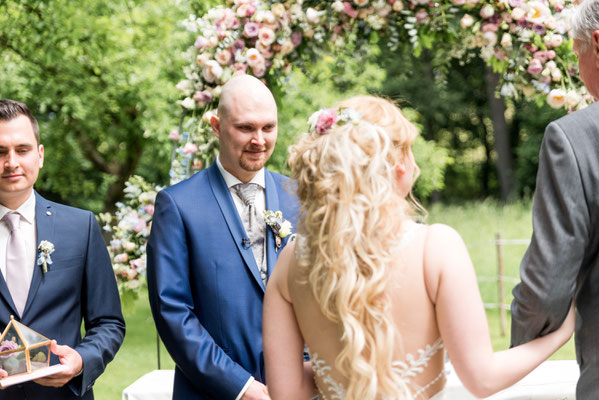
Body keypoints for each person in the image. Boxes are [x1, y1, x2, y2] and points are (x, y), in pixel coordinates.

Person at [263, 95, 575, 400]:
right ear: (399, 164)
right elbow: (482, 378)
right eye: (410, 150)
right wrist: (558, 336)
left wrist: (334, 369)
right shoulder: (435, 247)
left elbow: (287, 392)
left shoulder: (290, 260)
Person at [147, 75, 299, 400]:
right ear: (216, 126)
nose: (259, 140)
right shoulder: (177, 205)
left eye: (268, 128)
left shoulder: (300, 198)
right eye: (245, 128)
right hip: (213, 392)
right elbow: (172, 312)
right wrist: (241, 388)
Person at [0, 99, 125, 399]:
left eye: (23, 149)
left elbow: (108, 322)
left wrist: (82, 360)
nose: (12, 162)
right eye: (0, 152)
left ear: (40, 155)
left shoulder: (80, 227)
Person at [510, 0, 599, 398]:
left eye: (577, 53)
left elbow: (546, 290)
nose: (578, 71)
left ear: (597, 44)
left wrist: (516, 349)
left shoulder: (577, 139)